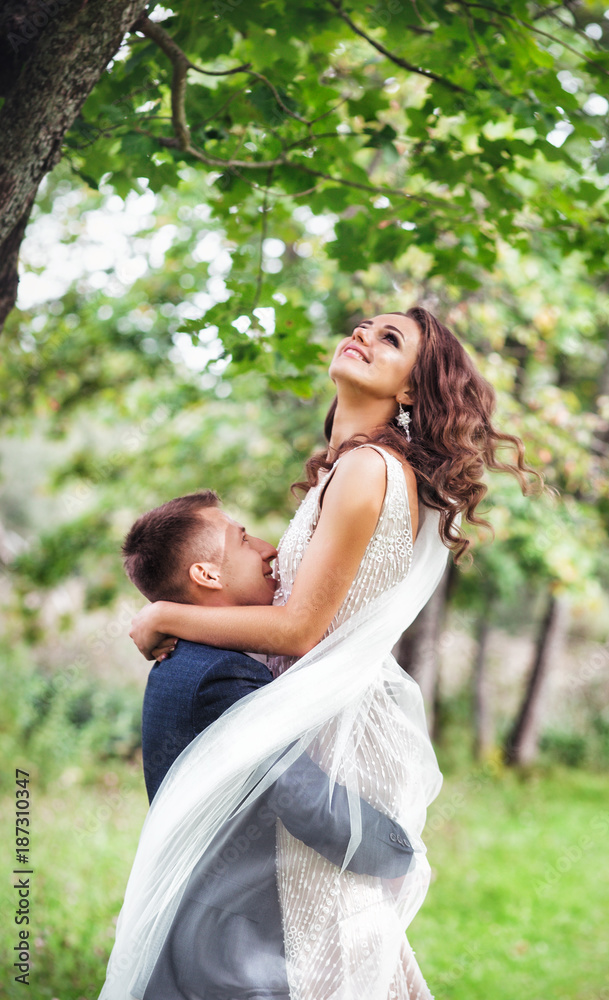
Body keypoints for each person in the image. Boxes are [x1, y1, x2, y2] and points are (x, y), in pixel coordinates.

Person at [100, 307, 542, 1000]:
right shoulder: (351, 470)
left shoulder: (368, 468)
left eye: (390, 339)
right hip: (317, 715)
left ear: (408, 392)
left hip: (335, 731)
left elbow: (302, 631)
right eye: (365, 325)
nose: (364, 334)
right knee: (322, 940)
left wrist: (163, 611)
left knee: (321, 943)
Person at [122, 490, 415, 996]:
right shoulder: (218, 675)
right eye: (241, 538)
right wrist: (396, 854)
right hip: (233, 950)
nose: (267, 548)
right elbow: (304, 799)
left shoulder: (186, 658)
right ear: (206, 575)